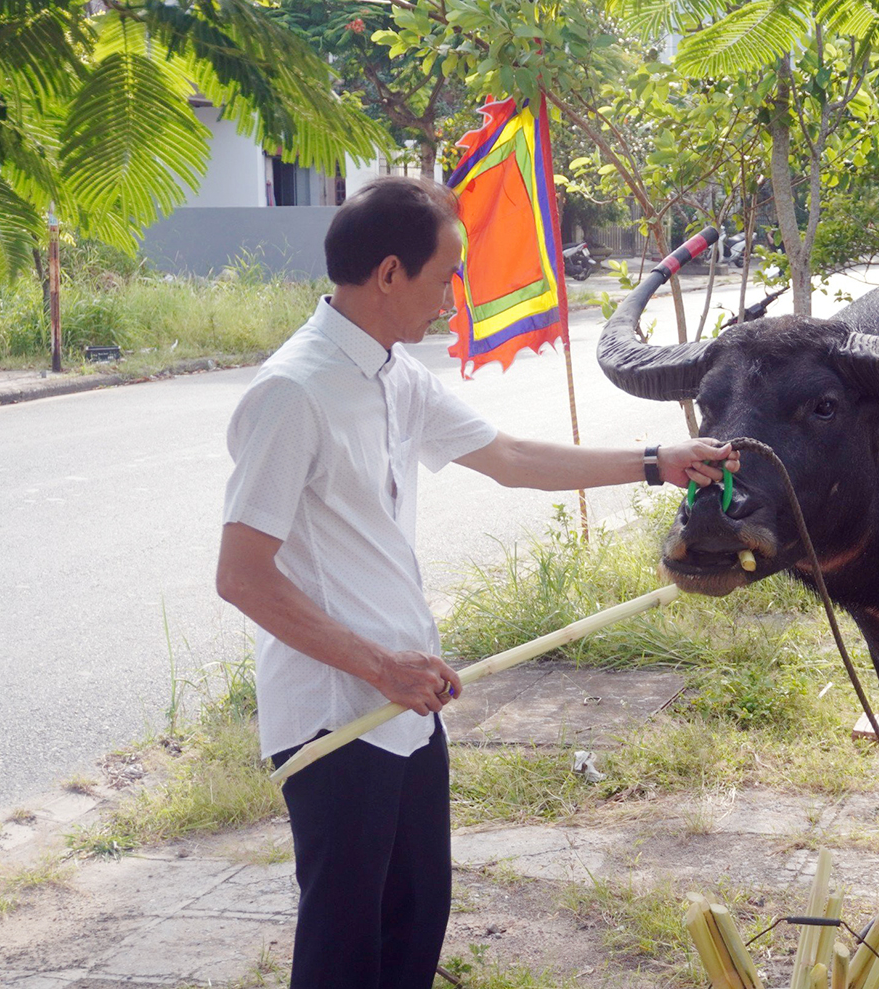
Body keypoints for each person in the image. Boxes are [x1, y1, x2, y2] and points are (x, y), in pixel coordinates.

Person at [215, 176, 736, 989]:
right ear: (390, 273)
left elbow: (512, 458)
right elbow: (242, 576)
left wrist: (654, 463)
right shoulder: (294, 392)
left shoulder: (392, 374)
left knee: (415, 922)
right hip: (336, 719)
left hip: (407, 706)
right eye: (446, 274)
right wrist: (377, 665)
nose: (454, 296)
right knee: (345, 955)